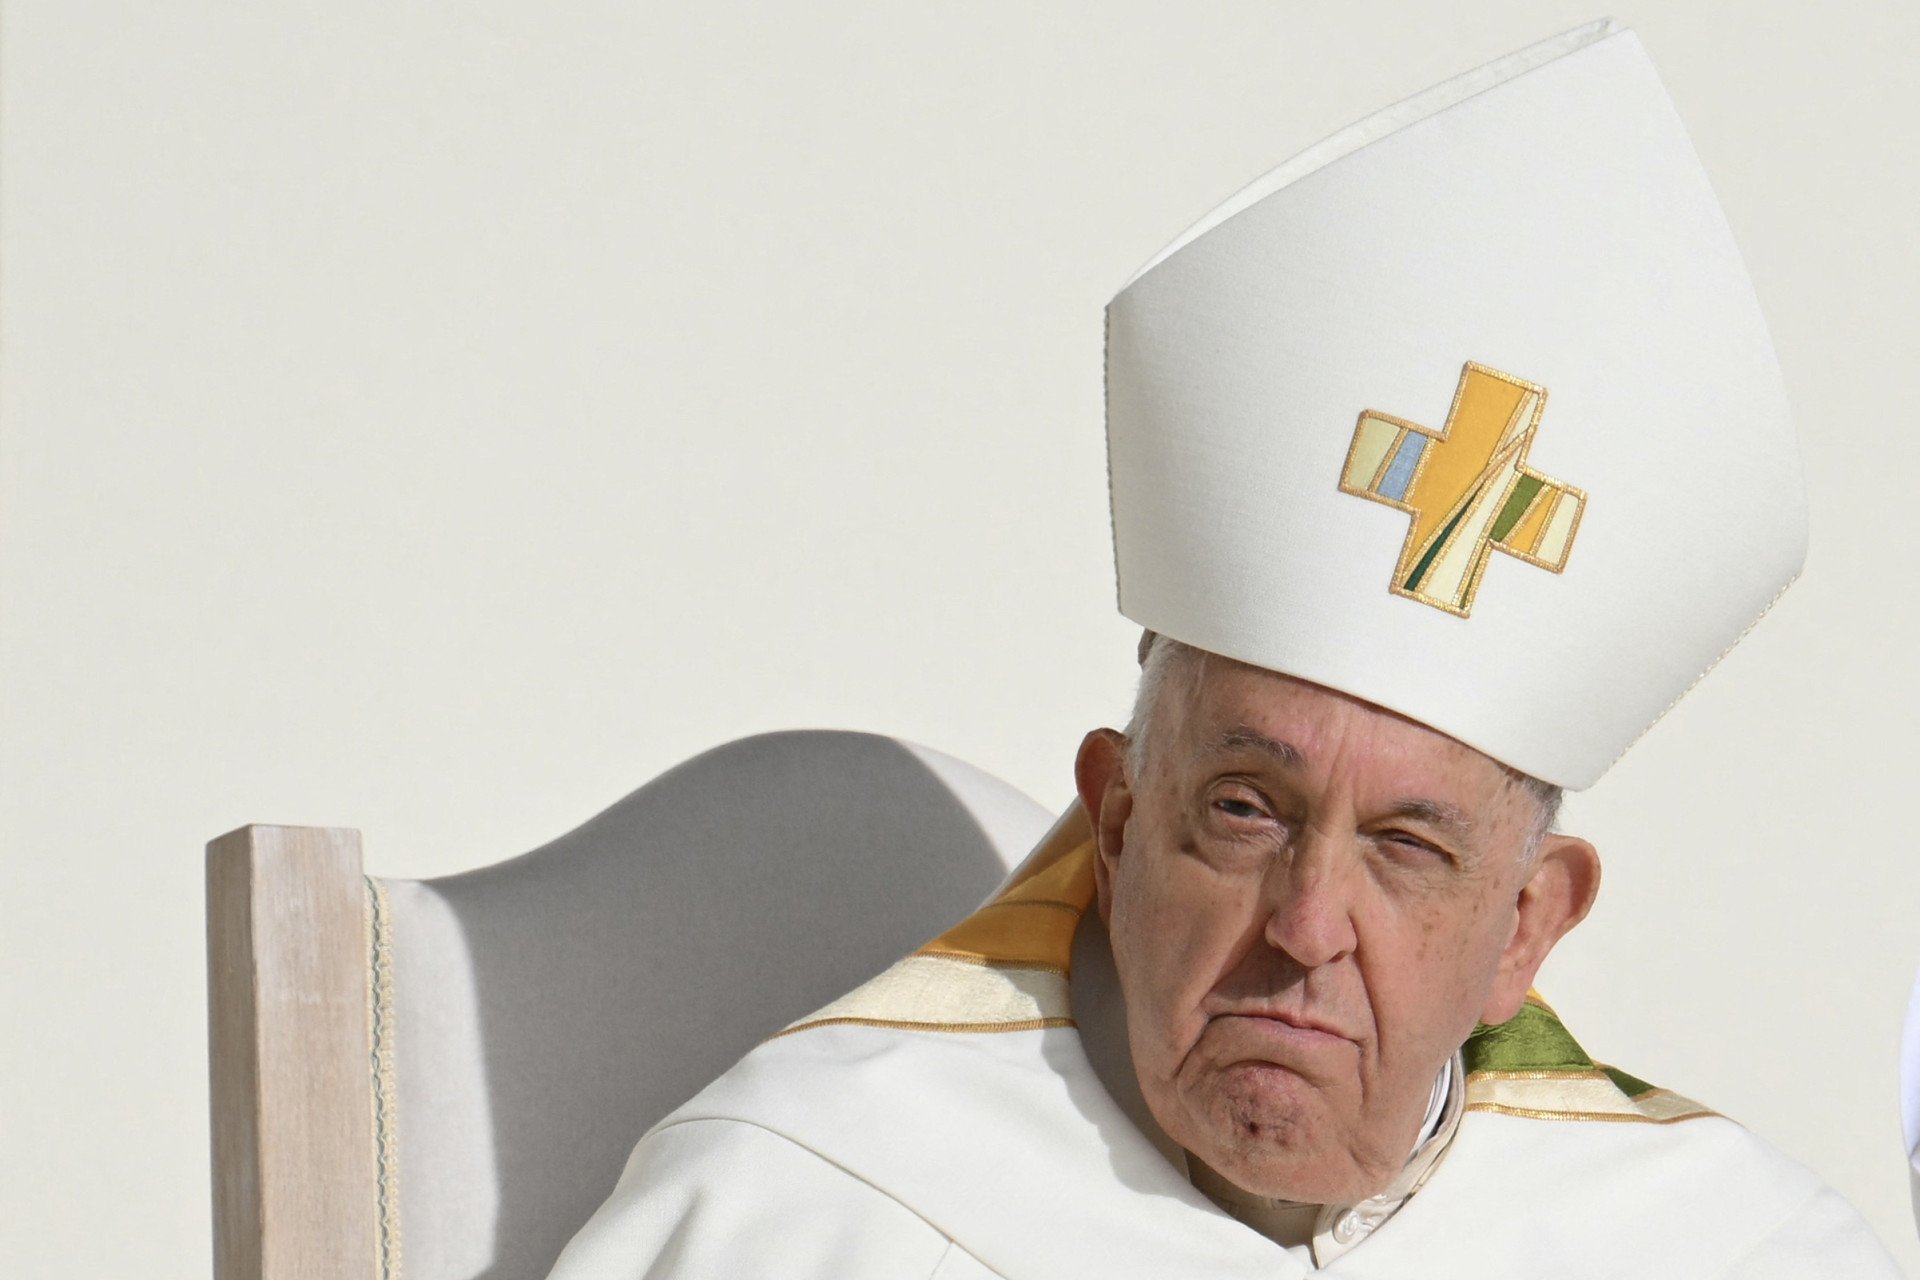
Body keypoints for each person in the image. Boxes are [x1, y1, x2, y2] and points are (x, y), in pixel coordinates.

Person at [547, 19, 1902, 1277]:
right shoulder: (803, 1212)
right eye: (1248, 811)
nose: (1304, 929)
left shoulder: (1736, 1250)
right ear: (1120, 821)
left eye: (1410, 848)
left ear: (1526, 929)